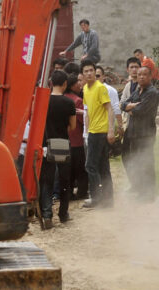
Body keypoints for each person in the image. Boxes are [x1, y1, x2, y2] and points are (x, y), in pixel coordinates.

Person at [39, 70, 76, 228]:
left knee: (46, 180)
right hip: (61, 142)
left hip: (46, 142)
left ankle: (47, 214)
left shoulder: (43, 101)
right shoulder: (69, 103)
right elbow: (73, 126)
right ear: (65, 84)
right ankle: (63, 213)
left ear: (51, 82)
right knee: (64, 179)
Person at [120, 67, 159, 202]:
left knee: (146, 163)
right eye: (139, 75)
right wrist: (131, 106)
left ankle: (149, 194)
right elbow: (122, 104)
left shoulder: (152, 93)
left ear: (150, 77)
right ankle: (141, 190)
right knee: (136, 161)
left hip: (145, 134)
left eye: (144, 74)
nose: (141, 77)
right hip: (133, 132)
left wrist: (130, 108)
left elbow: (140, 111)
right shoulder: (138, 90)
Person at [81, 59, 115, 208]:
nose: (89, 73)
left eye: (91, 70)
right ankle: (108, 200)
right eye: (86, 71)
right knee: (103, 167)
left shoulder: (100, 88)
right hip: (93, 132)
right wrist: (87, 132)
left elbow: (110, 109)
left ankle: (96, 198)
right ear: (82, 74)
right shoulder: (85, 90)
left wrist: (111, 130)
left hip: (100, 132)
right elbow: (88, 112)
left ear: (95, 72)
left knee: (90, 166)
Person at [64, 73, 89, 200]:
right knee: (81, 169)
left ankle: (68, 193)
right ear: (72, 86)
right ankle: (82, 192)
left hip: (64, 139)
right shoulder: (77, 101)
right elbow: (83, 120)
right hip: (77, 139)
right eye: (77, 83)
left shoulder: (62, 98)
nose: (80, 85)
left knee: (68, 170)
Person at [96, 65, 123, 136]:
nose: (95, 78)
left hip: (107, 130)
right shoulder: (88, 90)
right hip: (93, 130)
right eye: (94, 76)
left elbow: (116, 108)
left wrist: (120, 126)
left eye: (98, 76)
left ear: (103, 77)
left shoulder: (110, 90)